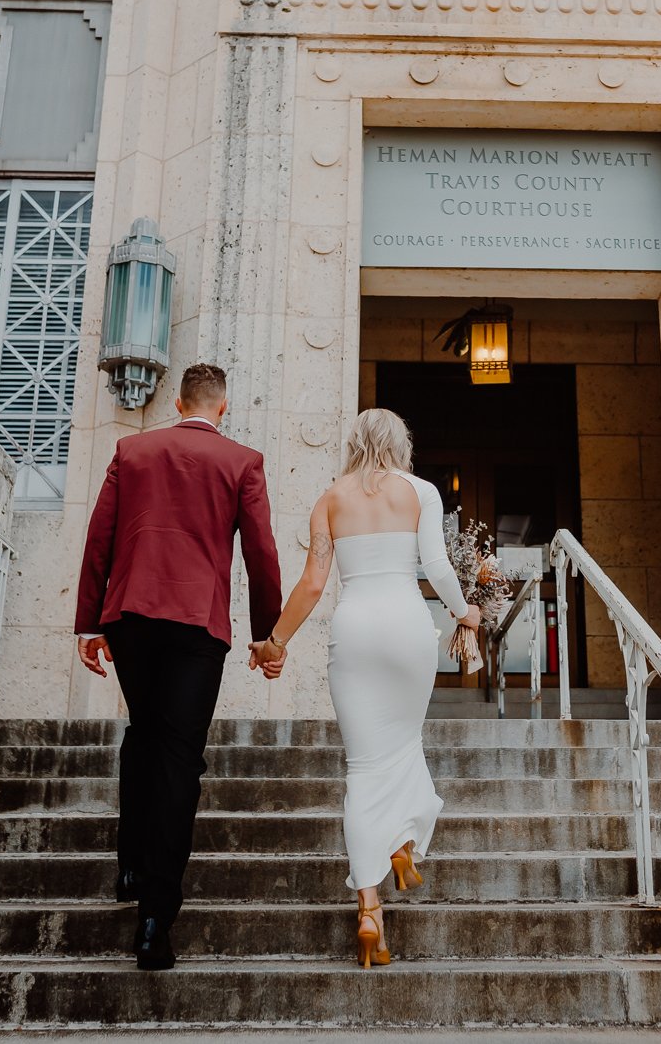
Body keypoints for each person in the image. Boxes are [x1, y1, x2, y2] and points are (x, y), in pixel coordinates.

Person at [245, 408, 480, 968]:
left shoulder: (330, 498)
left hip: (353, 634)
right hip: (407, 630)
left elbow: (313, 581)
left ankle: (369, 906)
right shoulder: (421, 492)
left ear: (352, 443)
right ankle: (401, 844)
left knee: (364, 766)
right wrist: (463, 610)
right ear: (402, 444)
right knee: (401, 746)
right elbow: (436, 566)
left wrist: (275, 641)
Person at [74, 363, 282, 971]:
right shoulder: (241, 461)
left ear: (179, 400)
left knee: (144, 732)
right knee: (178, 756)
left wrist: (90, 623)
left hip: (131, 615)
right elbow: (262, 552)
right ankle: (154, 921)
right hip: (196, 625)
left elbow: (99, 539)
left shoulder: (133, 450)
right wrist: (268, 636)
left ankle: (131, 864)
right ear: (222, 406)